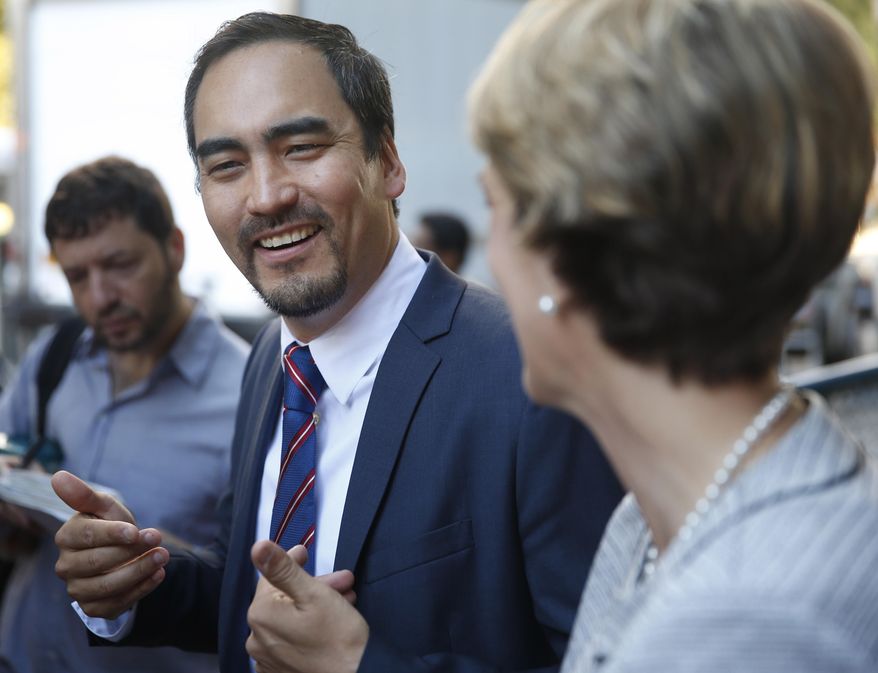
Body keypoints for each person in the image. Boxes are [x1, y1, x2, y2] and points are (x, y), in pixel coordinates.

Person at [51, 13, 622, 673]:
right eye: (228, 165)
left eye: (301, 148)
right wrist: (135, 582)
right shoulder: (273, 360)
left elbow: (609, 658)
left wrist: (361, 663)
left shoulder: (528, 374)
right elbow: (261, 602)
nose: (266, 196)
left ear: (387, 160)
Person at [468, 0, 878, 670]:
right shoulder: (657, 518)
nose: (491, 256)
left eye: (496, 204)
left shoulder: (743, 629)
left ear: (568, 256)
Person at [0, 156, 249, 673]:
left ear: (174, 248)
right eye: (77, 276)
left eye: (119, 265)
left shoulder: (248, 392)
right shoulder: (55, 355)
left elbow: (250, 584)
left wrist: (140, 554)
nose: (99, 297)